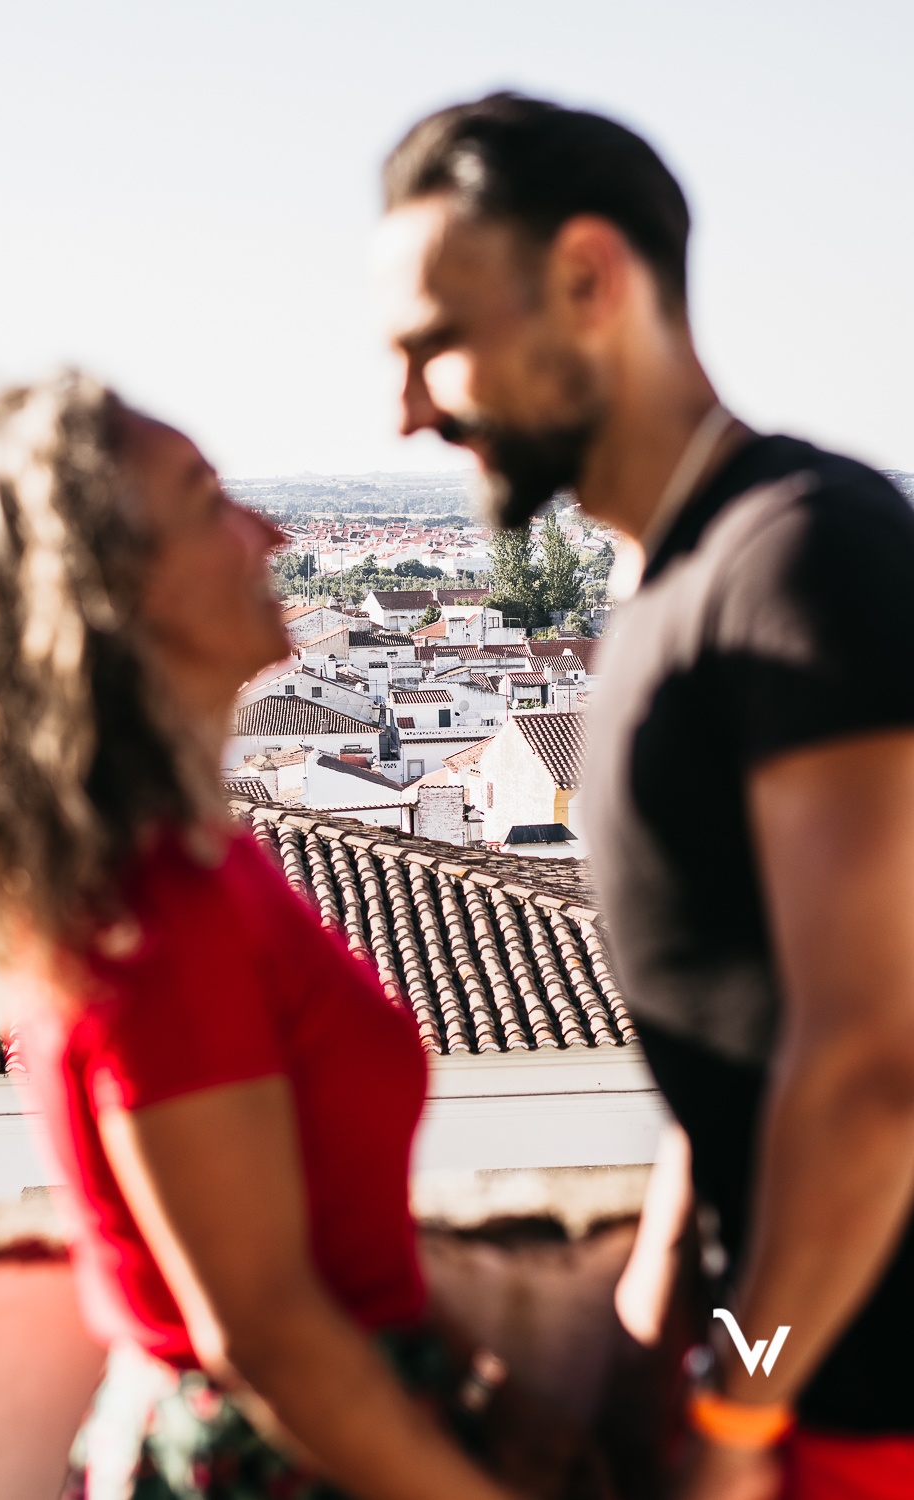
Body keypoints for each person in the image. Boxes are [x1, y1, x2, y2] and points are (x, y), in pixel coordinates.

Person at [375, 93, 914, 1499]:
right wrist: (672, 1312)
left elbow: (877, 1068)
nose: (405, 408)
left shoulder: (802, 560)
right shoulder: (667, 588)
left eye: (438, 344)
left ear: (589, 281)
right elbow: (749, 1022)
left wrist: (743, 1406)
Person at [0, 373, 519, 1500]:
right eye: (207, 504)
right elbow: (267, 1334)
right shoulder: (154, 924)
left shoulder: (193, 860)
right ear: (101, 598)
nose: (269, 531)